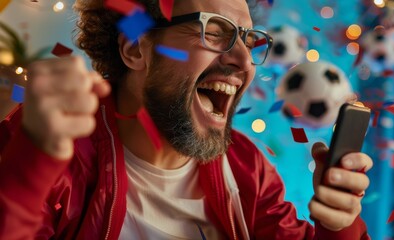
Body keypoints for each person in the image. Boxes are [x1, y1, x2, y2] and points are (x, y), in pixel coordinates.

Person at [0, 0, 373, 239]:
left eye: (247, 39)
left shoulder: (247, 168)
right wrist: (30, 172)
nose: (244, 62)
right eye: (214, 31)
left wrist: (339, 228)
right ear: (135, 48)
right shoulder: (43, 146)